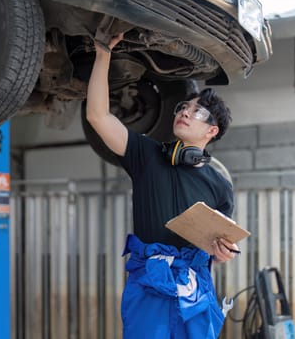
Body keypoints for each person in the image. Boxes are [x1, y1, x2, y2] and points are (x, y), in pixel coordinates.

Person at [86, 33, 239, 339]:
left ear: (212, 130)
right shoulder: (146, 154)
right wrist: (102, 55)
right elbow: (98, 116)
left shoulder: (220, 187)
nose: (184, 111)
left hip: (193, 289)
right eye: (183, 106)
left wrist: (222, 253)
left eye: (196, 111)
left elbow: (218, 248)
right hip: (148, 286)